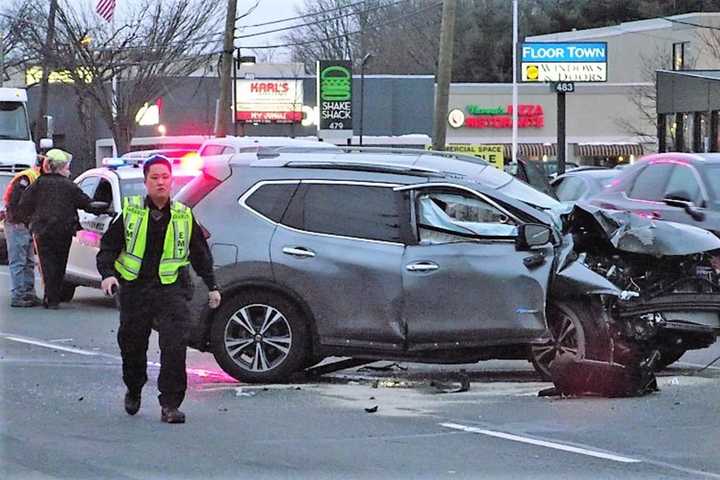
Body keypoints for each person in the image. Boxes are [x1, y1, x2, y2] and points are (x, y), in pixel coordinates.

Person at [96, 155, 221, 424]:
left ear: (171, 181)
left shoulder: (183, 215)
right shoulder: (130, 213)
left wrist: (212, 285)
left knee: (175, 346)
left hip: (171, 289)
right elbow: (108, 248)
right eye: (155, 178)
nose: (161, 182)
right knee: (132, 344)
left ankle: (170, 404)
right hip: (135, 289)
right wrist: (107, 275)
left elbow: (200, 254)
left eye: (165, 177)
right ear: (146, 182)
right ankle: (134, 386)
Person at [18, 149, 106, 309]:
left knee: (47, 264)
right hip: (64, 230)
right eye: (66, 167)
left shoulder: (39, 184)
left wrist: (30, 222)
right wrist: (103, 209)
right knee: (59, 263)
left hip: (42, 230)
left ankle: (50, 297)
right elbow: (87, 204)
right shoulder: (69, 186)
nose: (69, 170)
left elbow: (23, 204)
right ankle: (54, 297)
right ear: (60, 167)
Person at [2, 155, 44, 307]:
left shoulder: (35, 177)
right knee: (19, 261)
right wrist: (25, 221)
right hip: (17, 223)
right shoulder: (27, 178)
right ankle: (19, 295)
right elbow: (16, 202)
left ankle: (28, 293)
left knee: (28, 261)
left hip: (23, 223)